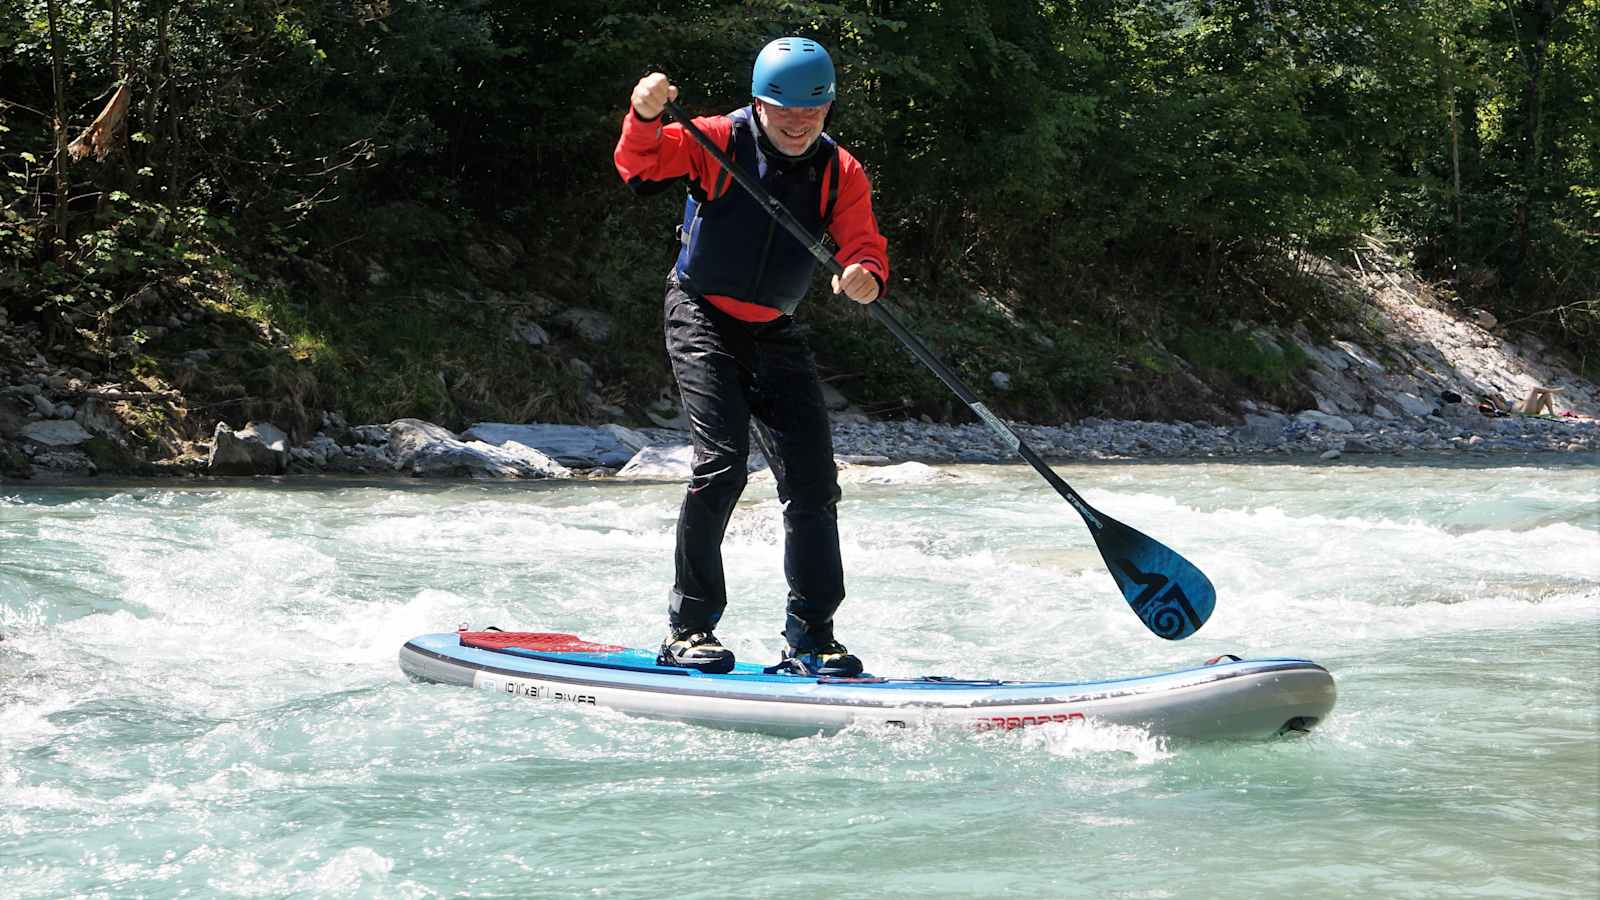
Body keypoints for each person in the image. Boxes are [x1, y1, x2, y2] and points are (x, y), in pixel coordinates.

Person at [614, 37, 889, 676]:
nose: (798, 124)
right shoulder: (714, 139)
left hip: (775, 330)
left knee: (815, 485)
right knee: (723, 466)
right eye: (784, 110)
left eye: (812, 114)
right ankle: (688, 629)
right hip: (701, 313)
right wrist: (645, 113)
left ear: (827, 110)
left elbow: (864, 247)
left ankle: (812, 639)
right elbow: (639, 166)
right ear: (759, 103)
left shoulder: (840, 171)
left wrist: (865, 275)